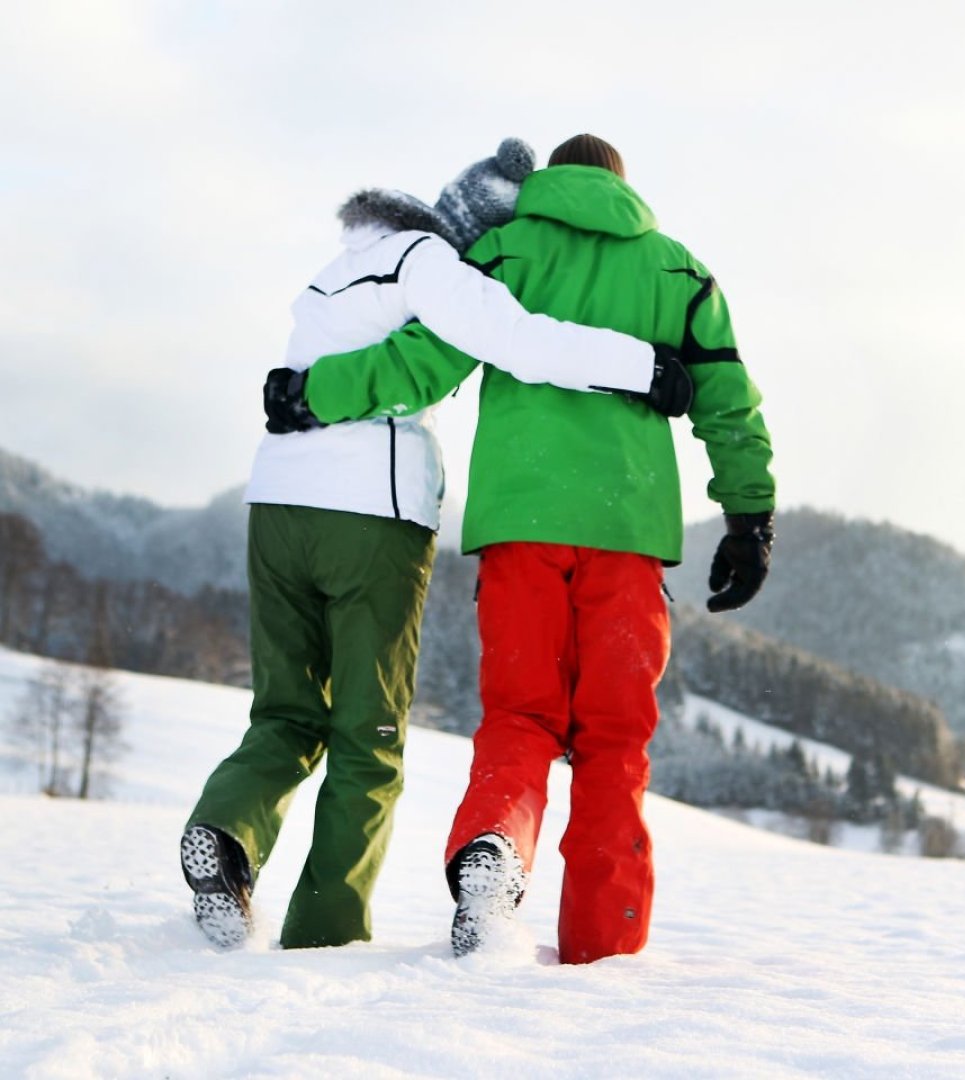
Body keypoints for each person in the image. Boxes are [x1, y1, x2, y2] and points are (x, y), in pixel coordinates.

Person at [180, 138, 690, 951]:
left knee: (282, 710)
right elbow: (519, 341)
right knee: (368, 736)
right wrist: (646, 367)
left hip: (274, 503)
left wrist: (305, 395)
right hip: (368, 512)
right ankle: (327, 934)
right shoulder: (437, 268)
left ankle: (227, 831)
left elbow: (345, 366)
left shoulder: (340, 268)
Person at [293, 134, 775, 963]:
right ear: (622, 185)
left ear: (548, 181)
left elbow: (427, 360)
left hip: (521, 533)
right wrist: (748, 518)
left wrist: (317, 391)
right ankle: (602, 948)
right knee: (614, 743)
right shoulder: (678, 271)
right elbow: (728, 401)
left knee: (520, 717)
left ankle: (494, 848)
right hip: (627, 537)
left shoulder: (502, 250)